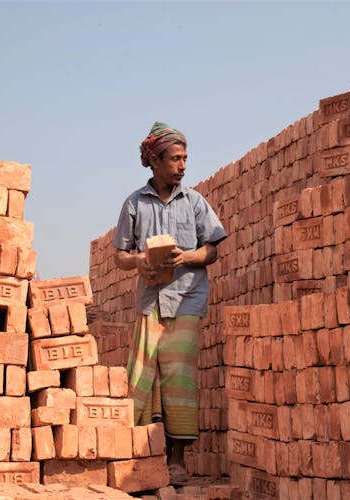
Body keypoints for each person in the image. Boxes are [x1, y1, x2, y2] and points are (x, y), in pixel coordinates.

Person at [112, 122, 227, 485]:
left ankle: (176, 461)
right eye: (175, 158)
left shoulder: (194, 202)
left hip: (187, 300)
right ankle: (143, 457)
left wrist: (187, 257)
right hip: (151, 301)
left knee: (178, 379)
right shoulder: (135, 203)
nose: (182, 165)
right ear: (154, 161)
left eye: (185, 158)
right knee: (143, 377)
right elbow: (119, 255)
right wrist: (140, 263)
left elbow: (212, 250)